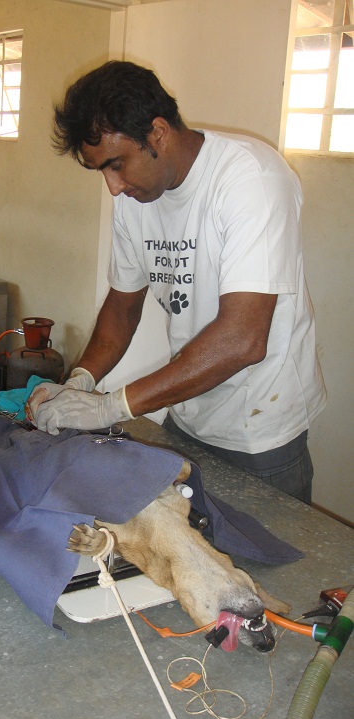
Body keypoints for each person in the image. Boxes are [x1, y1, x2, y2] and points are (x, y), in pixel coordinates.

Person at [29, 60, 326, 506]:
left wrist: (111, 408)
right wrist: (81, 382)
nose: (113, 187)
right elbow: (122, 304)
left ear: (158, 133)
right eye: (102, 172)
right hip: (188, 413)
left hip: (260, 430)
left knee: (261, 566)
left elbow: (244, 340)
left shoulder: (251, 181)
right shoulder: (137, 196)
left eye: (117, 165)